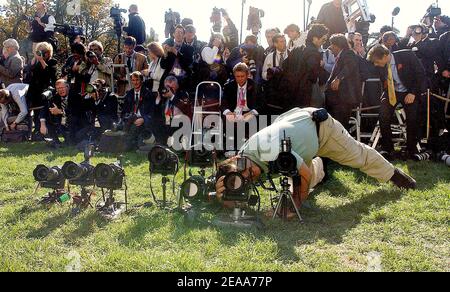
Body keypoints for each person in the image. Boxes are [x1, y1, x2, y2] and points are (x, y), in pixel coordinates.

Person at [215, 107, 417, 213]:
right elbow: (231, 187)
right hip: (294, 128)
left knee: (357, 156)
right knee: (301, 173)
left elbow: (303, 173)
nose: (249, 177)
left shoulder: (269, 150)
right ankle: (318, 165)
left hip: (321, 129)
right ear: (235, 158)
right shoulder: (241, 159)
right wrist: (220, 194)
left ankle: (396, 176)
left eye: (248, 173)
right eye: (243, 177)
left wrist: (295, 205)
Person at [367, 45, 426, 160]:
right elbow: (384, 81)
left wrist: (413, 93)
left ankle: (411, 149)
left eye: (377, 61)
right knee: (383, 115)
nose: (375, 64)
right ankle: (388, 150)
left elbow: (420, 74)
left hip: (410, 91)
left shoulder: (407, 55)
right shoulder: (380, 65)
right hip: (392, 92)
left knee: (412, 118)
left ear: (385, 56)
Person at [283, 24, 330, 108]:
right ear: (315, 38)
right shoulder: (314, 53)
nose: (324, 42)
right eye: (323, 40)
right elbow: (313, 75)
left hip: (291, 94)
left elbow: (284, 65)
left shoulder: (296, 49)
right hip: (307, 96)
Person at [325, 34, 361, 129]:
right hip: (337, 99)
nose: (330, 47)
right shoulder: (341, 56)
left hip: (343, 99)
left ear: (338, 45)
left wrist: (338, 78)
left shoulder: (348, 53)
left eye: (332, 44)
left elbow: (349, 66)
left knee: (340, 127)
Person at [222, 63, 260, 152]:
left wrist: (252, 112)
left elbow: (261, 103)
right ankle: (230, 149)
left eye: (242, 76)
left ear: (247, 75)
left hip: (248, 112)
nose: (240, 79)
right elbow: (223, 102)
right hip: (233, 112)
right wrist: (228, 112)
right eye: (237, 76)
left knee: (252, 119)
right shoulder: (229, 86)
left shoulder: (255, 86)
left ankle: (248, 150)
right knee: (227, 119)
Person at [26, 42, 57, 137]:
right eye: (40, 52)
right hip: (34, 90)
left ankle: (44, 131)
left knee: (43, 112)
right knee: (36, 112)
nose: (43, 54)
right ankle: (36, 132)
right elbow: (29, 72)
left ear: (48, 52)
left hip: (45, 90)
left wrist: (42, 60)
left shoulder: (52, 62)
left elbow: (49, 74)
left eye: (44, 52)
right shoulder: (36, 62)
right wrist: (34, 60)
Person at [121, 72, 155, 150]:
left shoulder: (148, 93)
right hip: (130, 120)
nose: (135, 82)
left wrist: (143, 119)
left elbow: (152, 112)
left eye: (137, 80)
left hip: (143, 120)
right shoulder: (129, 94)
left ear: (141, 81)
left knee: (134, 128)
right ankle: (126, 145)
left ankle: (126, 146)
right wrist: (127, 118)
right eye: (133, 80)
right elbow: (124, 111)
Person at [161, 25, 194, 90]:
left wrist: (176, 52)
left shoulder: (189, 48)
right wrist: (165, 54)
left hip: (183, 78)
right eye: (177, 32)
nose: (178, 34)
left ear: (184, 35)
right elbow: (163, 66)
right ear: (173, 34)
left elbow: (187, 63)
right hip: (169, 76)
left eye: (181, 32)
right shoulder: (168, 48)